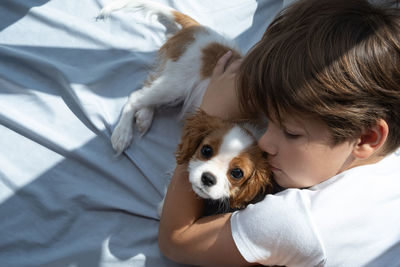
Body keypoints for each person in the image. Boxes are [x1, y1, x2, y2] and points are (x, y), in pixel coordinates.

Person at [158, 0, 400, 266]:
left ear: (366, 138)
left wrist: (208, 120)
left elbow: (176, 240)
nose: (263, 141)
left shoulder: (298, 220)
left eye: (291, 133)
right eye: (268, 121)